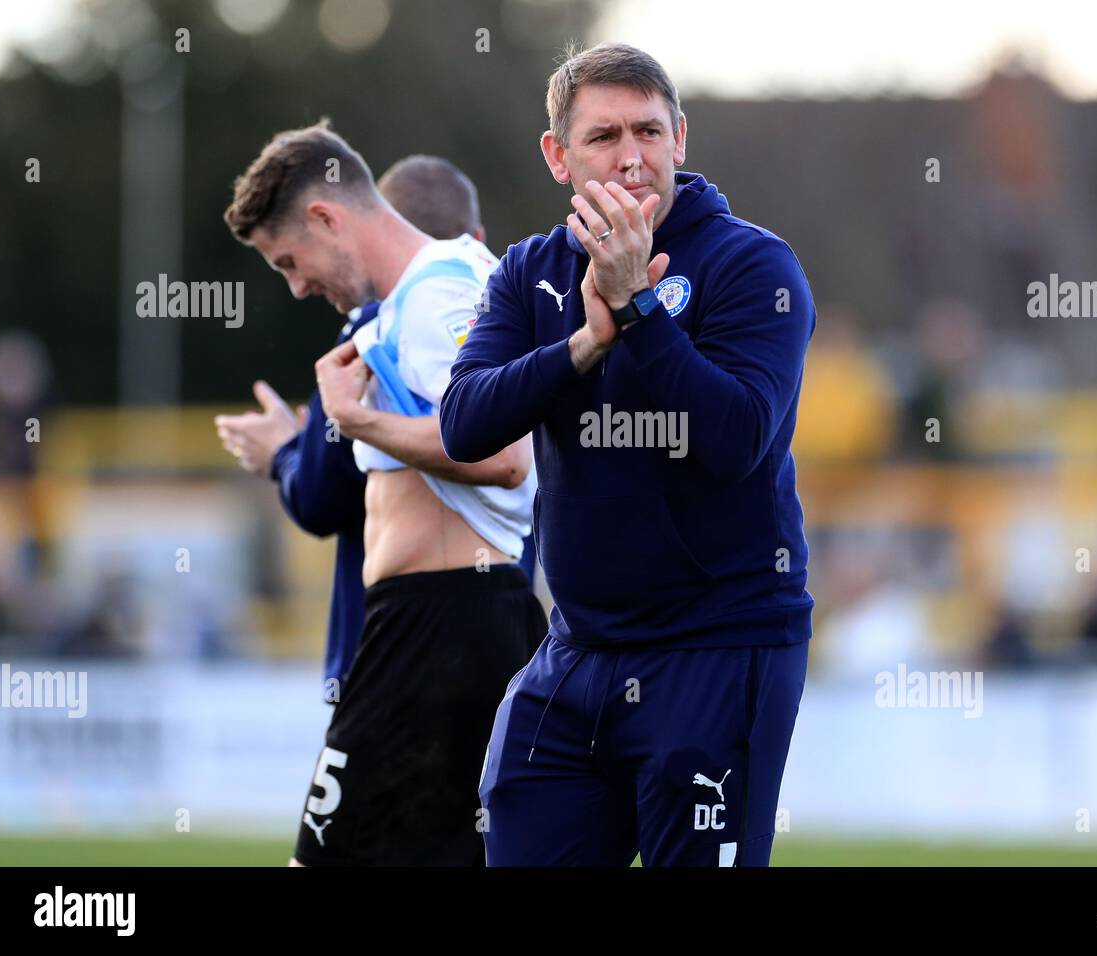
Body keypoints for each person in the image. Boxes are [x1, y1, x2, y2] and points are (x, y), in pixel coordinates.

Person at [441, 43, 817, 866]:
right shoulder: (527, 273)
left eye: (648, 130)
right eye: (603, 136)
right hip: (575, 654)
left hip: (717, 648)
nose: (631, 156)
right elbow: (464, 424)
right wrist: (582, 345)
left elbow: (734, 440)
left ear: (681, 138)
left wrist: (641, 311)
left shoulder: (753, 265)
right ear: (557, 155)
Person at [223, 121, 545, 865]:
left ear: (326, 217)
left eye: (289, 261)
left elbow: (504, 455)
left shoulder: (436, 297)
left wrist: (354, 419)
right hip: (439, 628)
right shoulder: (422, 297)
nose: (299, 285)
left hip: (439, 631)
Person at [214, 153, 493, 701]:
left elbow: (323, 496)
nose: (296, 287)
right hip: (475, 633)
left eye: (290, 262)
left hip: (404, 646)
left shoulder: (381, 325)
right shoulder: (493, 292)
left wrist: (289, 451)